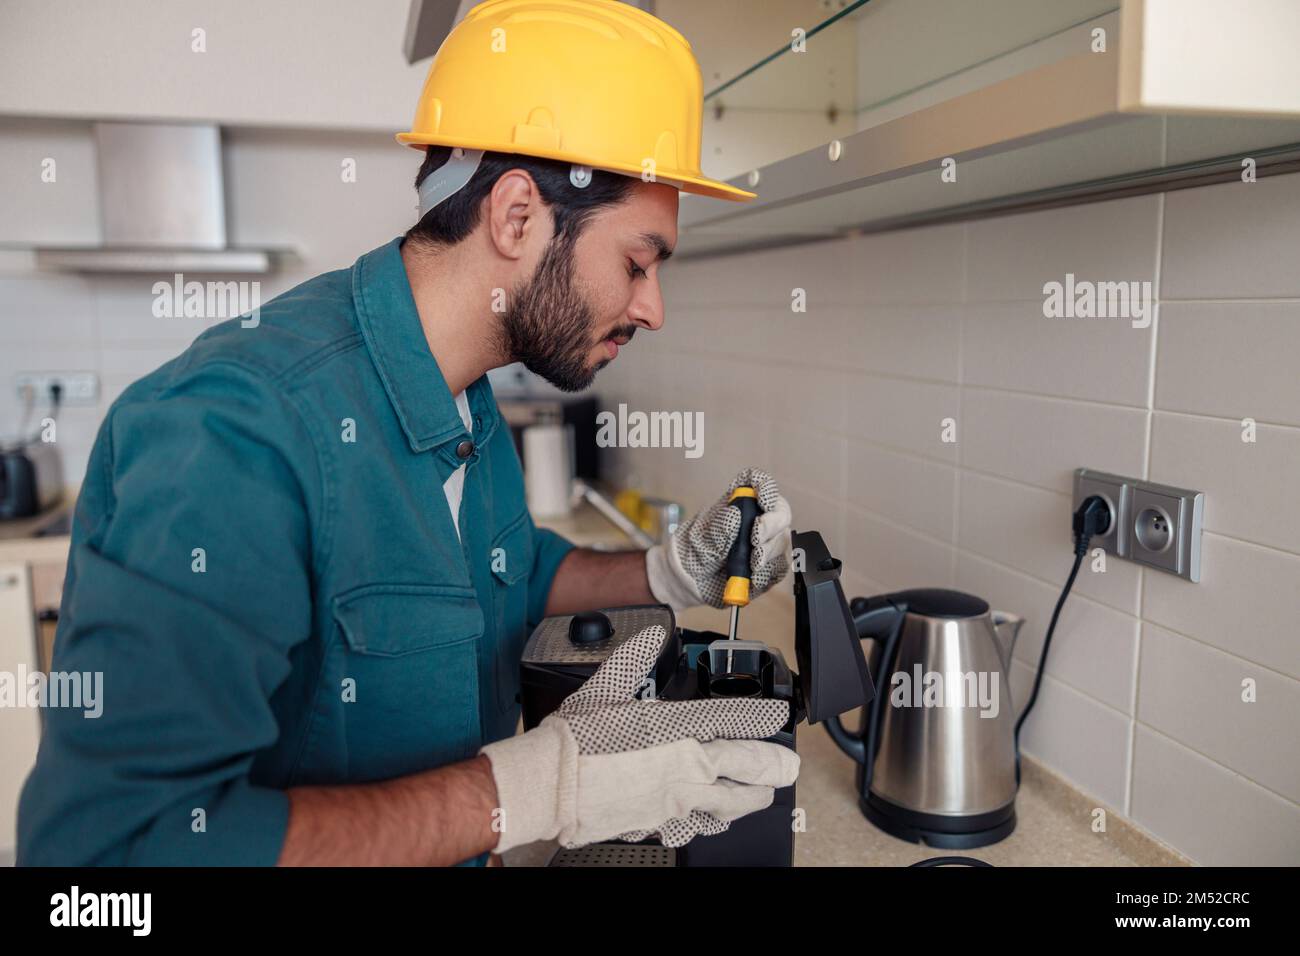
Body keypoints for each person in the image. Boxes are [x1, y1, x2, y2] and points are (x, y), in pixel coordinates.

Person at [17, 0, 796, 866]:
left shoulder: (463, 391)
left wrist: (668, 571)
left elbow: (511, 571)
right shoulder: (236, 432)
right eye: (637, 262)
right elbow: (105, 859)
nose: (652, 308)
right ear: (515, 216)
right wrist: (527, 793)